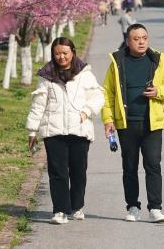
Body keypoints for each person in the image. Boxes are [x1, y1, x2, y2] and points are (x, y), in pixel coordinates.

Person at [102, 23, 164, 224]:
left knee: (153, 164)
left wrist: (158, 91)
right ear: (128, 41)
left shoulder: (158, 60)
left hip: (152, 123)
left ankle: (155, 208)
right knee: (129, 167)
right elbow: (107, 93)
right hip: (126, 124)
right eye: (136, 39)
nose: (141, 41)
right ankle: (133, 206)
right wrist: (108, 119)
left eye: (144, 37)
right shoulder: (118, 62)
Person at [27, 37, 105, 225]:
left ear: (73, 52)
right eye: (57, 53)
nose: (61, 57)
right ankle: (60, 210)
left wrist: (86, 111)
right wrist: (32, 130)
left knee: (78, 170)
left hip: (79, 129)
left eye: (65, 53)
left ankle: (76, 207)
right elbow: (38, 104)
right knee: (57, 171)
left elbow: (98, 96)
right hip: (54, 131)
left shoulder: (84, 74)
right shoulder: (46, 76)